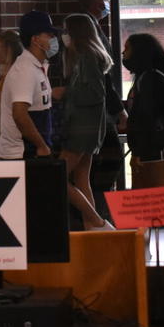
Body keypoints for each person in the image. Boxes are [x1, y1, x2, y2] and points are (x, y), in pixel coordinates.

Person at [58, 14, 116, 230]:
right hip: (89, 128)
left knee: (57, 176)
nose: (63, 35)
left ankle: (97, 222)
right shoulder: (85, 57)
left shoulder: (87, 57)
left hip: (82, 128)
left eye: (66, 29)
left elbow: (95, 94)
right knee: (82, 178)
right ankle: (91, 229)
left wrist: (65, 93)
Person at [76, 0, 127, 214]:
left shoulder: (92, 27)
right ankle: (98, 211)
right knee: (109, 157)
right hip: (98, 108)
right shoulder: (89, 29)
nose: (107, 2)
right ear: (95, 2)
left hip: (99, 107)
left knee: (94, 164)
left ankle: (96, 210)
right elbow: (103, 76)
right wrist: (119, 110)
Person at [0, 11, 61, 160]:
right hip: (23, 154)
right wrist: (41, 146)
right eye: (49, 35)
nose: (54, 40)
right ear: (35, 39)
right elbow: (20, 114)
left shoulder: (37, 66)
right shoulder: (24, 70)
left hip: (33, 151)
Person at [122, 33, 164, 189]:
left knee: (155, 197)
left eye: (127, 48)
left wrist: (139, 150)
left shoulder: (150, 79)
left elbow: (148, 118)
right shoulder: (146, 77)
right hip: (147, 148)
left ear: (140, 52)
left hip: (152, 149)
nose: (123, 53)